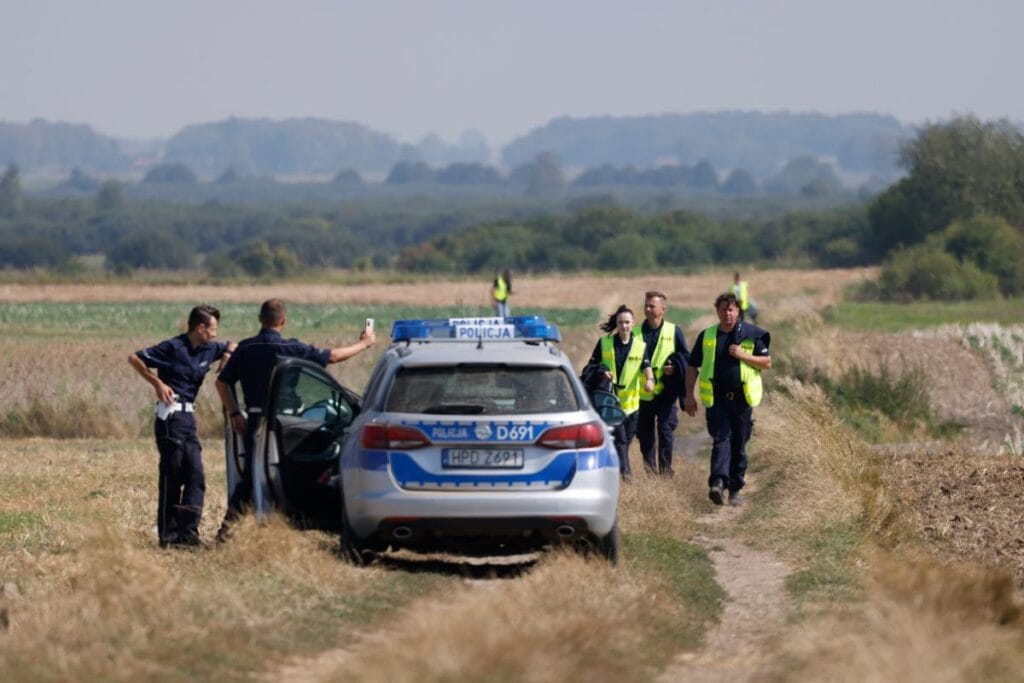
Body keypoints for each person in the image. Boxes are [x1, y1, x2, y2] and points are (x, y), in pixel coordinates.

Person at [214, 298, 376, 539]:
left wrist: (236, 413)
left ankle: (228, 532)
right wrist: (364, 343)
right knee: (282, 474)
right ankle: (279, 526)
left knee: (251, 476)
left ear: (260, 319)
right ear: (283, 321)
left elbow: (222, 382)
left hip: (254, 421)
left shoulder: (246, 348)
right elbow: (332, 357)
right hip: (283, 423)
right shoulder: (292, 349)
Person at [129, 305, 235, 548]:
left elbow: (233, 346)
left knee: (196, 476)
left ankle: (188, 534)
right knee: (173, 476)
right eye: (212, 329)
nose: (215, 334)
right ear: (200, 328)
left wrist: (225, 362)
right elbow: (134, 358)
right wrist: (157, 382)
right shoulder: (172, 348)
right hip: (170, 418)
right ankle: (169, 536)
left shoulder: (211, 348)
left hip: (189, 420)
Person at [684, 292, 771, 507]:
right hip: (717, 399)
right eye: (723, 309)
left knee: (739, 444)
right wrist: (689, 395)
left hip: (742, 400)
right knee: (721, 439)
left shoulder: (752, 335)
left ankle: (735, 488)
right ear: (717, 311)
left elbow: (766, 362)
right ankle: (718, 483)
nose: (727, 314)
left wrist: (744, 356)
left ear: (738, 312)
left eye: (731, 310)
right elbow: (692, 366)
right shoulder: (707, 336)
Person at [584, 305, 655, 481]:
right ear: (616, 324)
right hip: (611, 403)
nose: (624, 326)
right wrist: (601, 370)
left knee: (625, 442)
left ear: (633, 324)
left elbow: (647, 367)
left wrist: (650, 381)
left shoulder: (640, 346)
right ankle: (626, 475)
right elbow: (590, 367)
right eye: (621, 322)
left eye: (627, 322)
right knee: (621, 441)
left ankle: (611, 470)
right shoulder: (605, 343)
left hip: (632, 405)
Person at [635, 291, 690, 476]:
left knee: (665, 430)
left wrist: (674, 367)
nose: (648, 309)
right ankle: (650, 472)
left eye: (652, 305)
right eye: (646, 305)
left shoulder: (674, 331)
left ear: (663, 309)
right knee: (645, 435)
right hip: (642, 394)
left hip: (667, 392)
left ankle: (666, 471)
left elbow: (685, 357)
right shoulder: (635, 333)